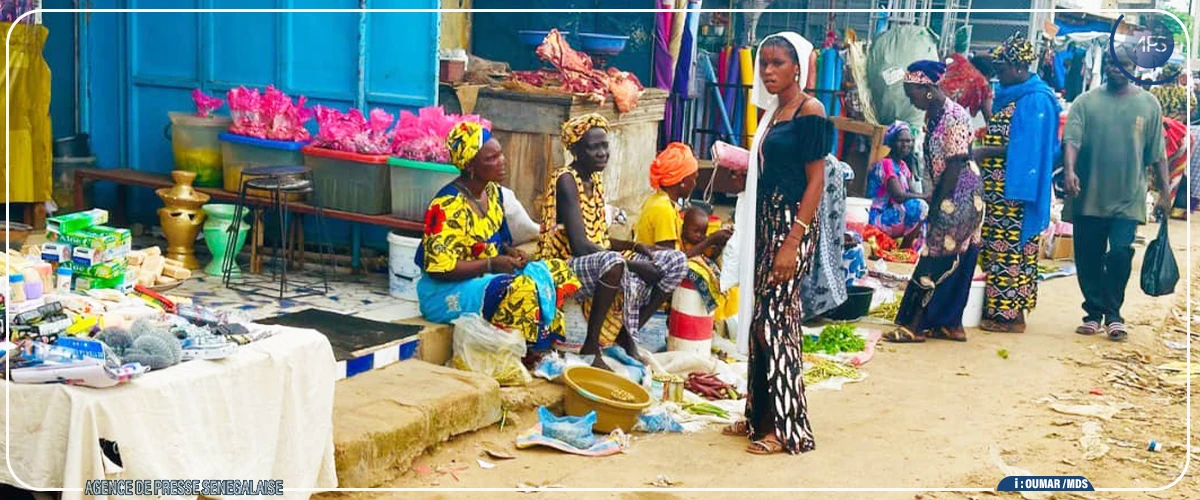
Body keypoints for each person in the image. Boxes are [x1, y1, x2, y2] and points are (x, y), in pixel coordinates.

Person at [721, 32, 829, 456]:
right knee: (758, 325)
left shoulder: (809, 111)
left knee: (776, 323)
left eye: (777, 63)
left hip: (792, 226)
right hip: (768, 225)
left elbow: (816, 180)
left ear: (797, 67)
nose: (767, 70)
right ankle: (758, 415)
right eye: (763, 63)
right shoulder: (773, 113)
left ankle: (785, 426)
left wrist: (792, 241)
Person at [417, 121, 610, 354]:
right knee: (521, 287)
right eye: (492, 158)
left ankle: (548, 345)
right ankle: (535, 352)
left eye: (501, 154)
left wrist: (510, 253)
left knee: (555, 271)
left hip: (483, 279)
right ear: (470, 166)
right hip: (445, 293)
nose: (502, 161)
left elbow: (497, 242)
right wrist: (491, 263)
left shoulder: (493, 193)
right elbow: (440, 269)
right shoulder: (447, 205)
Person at [538, 113, 688, 367]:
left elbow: (601, 237)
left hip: (595, 257)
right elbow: (579, 245)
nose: (601, 153)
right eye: (593, 147)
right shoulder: (566, 180)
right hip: (562, 265)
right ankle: (591, 344)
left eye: (604, 145)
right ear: (575, 150)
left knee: (676, 261)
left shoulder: (594, 179)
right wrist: (634, 263)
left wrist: (635, 246)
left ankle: (627, 334)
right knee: (614, 264)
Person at [1062, 51, 1170, 342]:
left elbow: (1157, 153)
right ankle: (1093, 312)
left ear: (1135, 67)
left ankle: (1113, 314)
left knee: (1121, 253)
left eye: (1123, 64)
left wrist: (1165, 192)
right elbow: (1071, 139)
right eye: (1111, 63)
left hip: (1128, 196)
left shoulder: (1149, 104)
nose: (1116, 69)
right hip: (1088, 194)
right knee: (1088, 257)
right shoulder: (1086, 102)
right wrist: (1070, 171)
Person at [884, 60, 984, 344]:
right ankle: (948, 323)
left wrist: (937, 205)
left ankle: (913, 326)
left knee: (935, 257)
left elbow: (955, 164)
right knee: (957, 255)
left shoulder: (954, 116)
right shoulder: (933, 113)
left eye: (911, 92)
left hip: (960, 196)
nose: (909, 99)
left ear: (927, 88)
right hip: (953, 192)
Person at [972, 33, 1062, 334]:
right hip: (999, 188)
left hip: (1015, 191)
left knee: (1009, 249)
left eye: (1002, 69)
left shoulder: (1035, 99)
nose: (998, 75)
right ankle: (1007, 312)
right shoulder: (1014, 93)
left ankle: (1007, 317)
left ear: (1019, 67)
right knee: (1001, 249)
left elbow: (1029, 148)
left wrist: (985, 151)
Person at [634, 142, 733, 256]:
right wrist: (710, 241)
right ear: (682, 182)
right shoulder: (663, 209)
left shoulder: (660, 201)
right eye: (693, 179)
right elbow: (671, 261)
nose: (694, 184)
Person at [800, 154, 850, 321]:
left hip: (820, 175)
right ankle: (818, 305)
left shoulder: (819, 160)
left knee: (817, 237)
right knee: (820, 237)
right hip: (822, 174)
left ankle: (814, 306)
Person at [866, 121, 929, 249]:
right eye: (901, 141)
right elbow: (899, 196)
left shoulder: (903, 167)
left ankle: (906, 247)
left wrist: (926, 197)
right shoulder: (886, 164)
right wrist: (925, 197)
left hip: (890, 215)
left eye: (908, 141)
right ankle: (905, 248)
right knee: (919, 206)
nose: (906, 145)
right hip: (876, 218)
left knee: (923, 206)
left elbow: (912, 193)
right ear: (892, 142)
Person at [941, 52, 995, 123]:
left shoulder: (956, 61)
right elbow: (989, 117)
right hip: (945, 119)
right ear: (988, 75)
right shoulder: (983, 84)